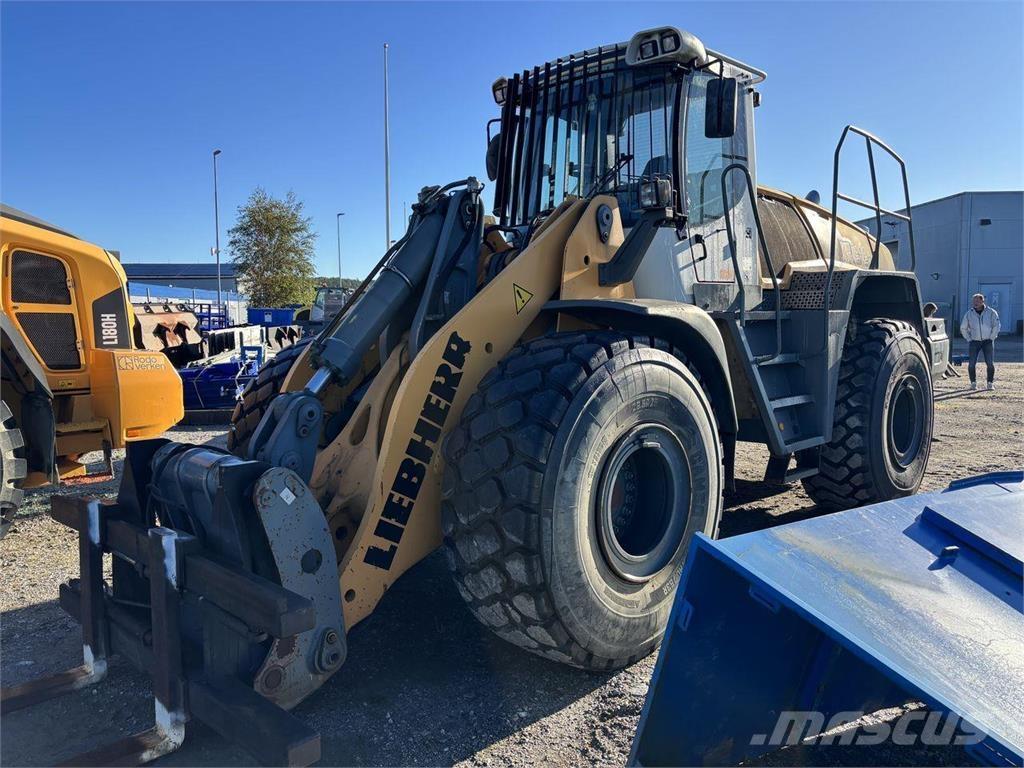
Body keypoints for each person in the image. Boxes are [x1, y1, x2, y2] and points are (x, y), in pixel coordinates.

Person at [960, 293, 1000, 390]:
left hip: (987, 341)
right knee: (971, 363)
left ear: (982, 301)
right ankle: (973, 383)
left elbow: (997, 325)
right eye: (974, 301)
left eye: (977, 301)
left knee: (990, 363)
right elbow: (963, 327)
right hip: (974, 342)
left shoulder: (991, 312)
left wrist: (992, 337)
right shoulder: (969, 314)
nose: (975, 303)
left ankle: (990, 383)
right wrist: (968, 338)